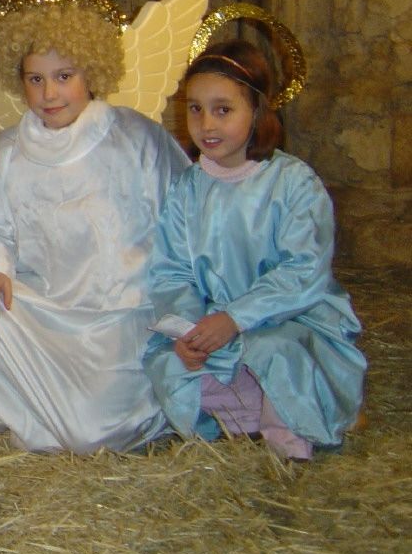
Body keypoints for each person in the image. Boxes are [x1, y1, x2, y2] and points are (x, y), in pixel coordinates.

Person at [0, 0, 190, 453]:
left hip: (123, 316)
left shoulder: (136, 139)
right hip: (46, 313)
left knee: (94, 434)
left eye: (63, 77)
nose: (49, 93)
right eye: (35, 79)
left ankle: (97, 411)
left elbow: (183, 221)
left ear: (91, 73)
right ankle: (36, 413)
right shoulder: (7, 151)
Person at [144, 38, 365, 460]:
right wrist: (191, 330)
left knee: (273, 353)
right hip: (215, 324)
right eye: (195, 108)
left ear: (257, 112)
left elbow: (304, 270)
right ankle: (251, 415)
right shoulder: (187, 189)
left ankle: (294, 423)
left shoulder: (292, 183)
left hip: (291, 317)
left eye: (223, 110)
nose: (206, 123)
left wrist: (236, 317)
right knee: (169, 364)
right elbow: (172, 272)